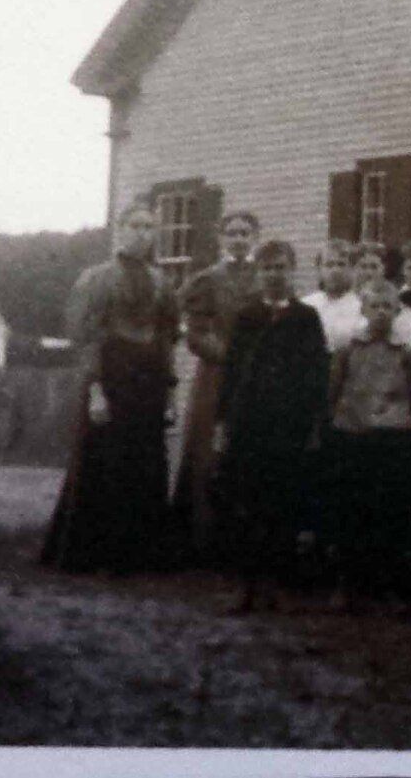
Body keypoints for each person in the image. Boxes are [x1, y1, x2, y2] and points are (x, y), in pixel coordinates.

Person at [43, 199, 179, 575]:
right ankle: (96, 555)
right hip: (112, 376)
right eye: (136, 226)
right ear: (121, 230)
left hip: (149, 381)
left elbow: (167, 339)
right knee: (106, 462)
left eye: (149, 227)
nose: (143, 234)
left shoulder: (162, 282)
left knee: (145, 464)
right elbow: (86, 338)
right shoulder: (98, 278)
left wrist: (170, 394)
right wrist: (96, 390)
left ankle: (140, 556)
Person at [214, 238, 330, 613]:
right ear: (258, 273)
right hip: (251, 424)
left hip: (290, 425)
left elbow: (317, 374)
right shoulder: (247, 316)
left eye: (281, 268)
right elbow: (231, 373)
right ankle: (245, 585)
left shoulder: (306, 318)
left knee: (285, 503)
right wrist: (223, 423)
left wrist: (313, 423)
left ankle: (277, 586)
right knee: (247, 503)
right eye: (267, 268)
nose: (274, 275)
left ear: (292, 271)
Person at [322, 284, 411, 610]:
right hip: (353, 435)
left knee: (390, 512)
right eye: (375, 306)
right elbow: (333, 390)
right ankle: (346, 584)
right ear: (363, 310)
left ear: (397, 311)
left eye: (387, 306)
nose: (381, 312)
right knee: (351, 509)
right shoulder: (347, 347)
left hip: (393, 437)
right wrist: (332, 427)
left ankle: (387, 586)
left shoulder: (408, 353)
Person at [172, 208, 261, 561]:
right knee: (208, 449)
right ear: (222, 238)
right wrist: (227, 356)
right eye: (232, 233)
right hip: (216, 373)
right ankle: (201, 539)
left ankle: (242, 542)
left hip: (257, 375)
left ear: (255, 238)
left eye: (245, 233)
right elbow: (195, 333)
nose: (239, 240)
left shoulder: (264, 276)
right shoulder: (207, 279)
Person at [302, 240, 364, 352]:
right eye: (329, 265)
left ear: (352, 269)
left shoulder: (362, 308)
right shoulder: (306, 305)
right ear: (319, 270)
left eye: (341, 264)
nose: (335, 270)